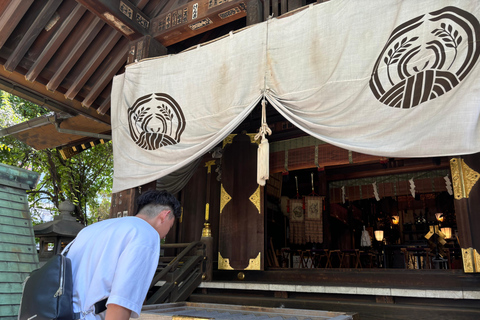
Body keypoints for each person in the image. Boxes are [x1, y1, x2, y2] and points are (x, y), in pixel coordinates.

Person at [65, 189, 181, 320]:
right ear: (165, 215)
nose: (165, 235)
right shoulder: (146, 234)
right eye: (170, 227)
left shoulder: (91, 229)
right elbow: (120, 301)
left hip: (60, 313)